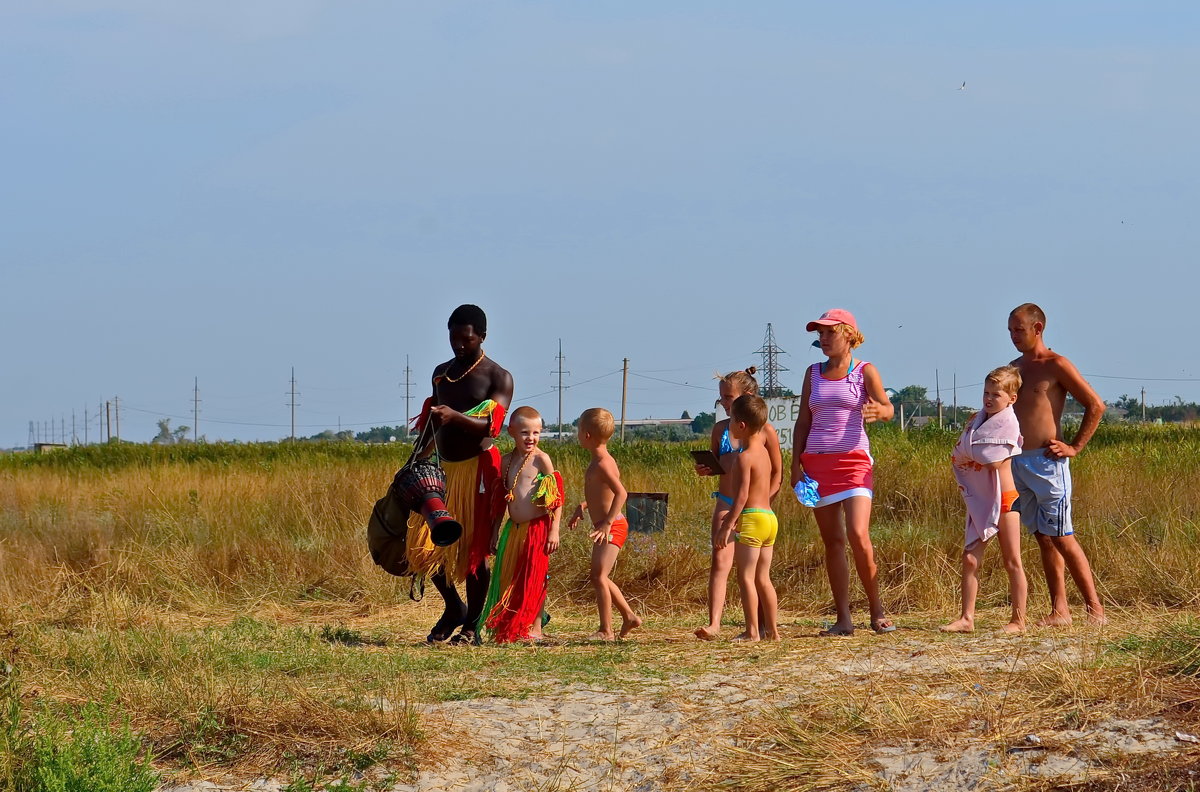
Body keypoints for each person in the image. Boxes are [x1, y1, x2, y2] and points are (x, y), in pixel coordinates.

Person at [408, 304, 513, 646]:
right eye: (454, 338)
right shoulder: (441, 374)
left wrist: (455, 417)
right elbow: (432, 426)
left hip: (480, 470)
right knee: (423, 545)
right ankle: (454, 606)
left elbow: (492, 427)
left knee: (474, 551)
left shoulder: (499, 377)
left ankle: (472, 625)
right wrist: (415, 463)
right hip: (443, 471)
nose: (459, 345)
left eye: (466, 339)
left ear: (482, 337)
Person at [790, 308, 896, 636]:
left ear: (848, 335)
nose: (822, 339)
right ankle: (843, 619)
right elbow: (803, 422)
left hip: (854, 462)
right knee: (832, 542)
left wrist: (882, 411)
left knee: (858, 535)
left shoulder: (865, 371)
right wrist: (795, 465)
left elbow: (888, 407)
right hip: (817, 464)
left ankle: (877, 611)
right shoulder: (812, 373)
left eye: (828, 333)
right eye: (819, 334)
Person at [1007, 303, 1107, 626]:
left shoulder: (1056, 364)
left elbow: (1096, 405)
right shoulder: (1014, 369)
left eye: (1018, 330)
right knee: (1043, 536)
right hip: (1019, 463)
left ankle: (1095, 610)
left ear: (1038, 329)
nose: (1013, 337)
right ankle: (1059, 610)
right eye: (1010, 331)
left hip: (1049, 464)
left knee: (1063, 536)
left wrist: (1075, 446)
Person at [693, 368, 782, 641]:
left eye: (729, 397)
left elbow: (777, 471)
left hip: (753, 506)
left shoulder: (764, 430)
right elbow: (719, 463)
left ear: (748, 397)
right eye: (721, 399)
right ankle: (714, 623)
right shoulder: (721, 428)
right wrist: (707, 469)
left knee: (751, 573)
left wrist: (766, 498)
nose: (725, 404)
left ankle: (758, 627)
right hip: (726, 500)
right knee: (721, 560)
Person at [941, 366, 1028, 634]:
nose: (989, 399)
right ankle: (967, 618)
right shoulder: (976, 421)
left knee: (1012, 560)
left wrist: (971, 453)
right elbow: (963, 450)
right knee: (969, 559)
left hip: (1005, 498)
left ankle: (1018, 621)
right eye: (986, 393)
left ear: (1012, 398)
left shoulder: (1009, 424)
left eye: (996, 394)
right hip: (981, 498)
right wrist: (970, 452)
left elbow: (993, 461)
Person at [480, 406, 564, 643]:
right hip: (512, 529)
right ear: (512, 432)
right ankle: (515, 621)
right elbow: (499, 502)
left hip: (537, 527)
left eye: (536, 433)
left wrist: (554, 530)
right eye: (525, 433)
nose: (531, 438)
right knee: (511, 578)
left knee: (534, 577)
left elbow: (556, 499)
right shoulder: (505, 462)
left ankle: (535, 627)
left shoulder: (541, 460)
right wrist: (495, 531)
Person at [568, 407, 642, 641]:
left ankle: (605, 630)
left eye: (579, 430)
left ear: (587, 435)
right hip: (605, 524)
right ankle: (629, 616)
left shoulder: (603, 463)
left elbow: (621, 494)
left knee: (599, 576)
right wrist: (583, 506)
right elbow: (603, 494)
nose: (578, 435)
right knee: (599, 576)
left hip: (613, 526)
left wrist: (607, 523)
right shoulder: (597, 461)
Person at [715, 394, 780, 642]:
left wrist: (727, 526)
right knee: (764, 578)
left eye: (731, 420)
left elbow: (740, 498)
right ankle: (773, 631)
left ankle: (752, 631)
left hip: (752, 519)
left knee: (746, 577)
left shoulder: (743, 458)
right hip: (769, 518)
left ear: (741, 425)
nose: (729, 425)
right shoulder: (763, 453)